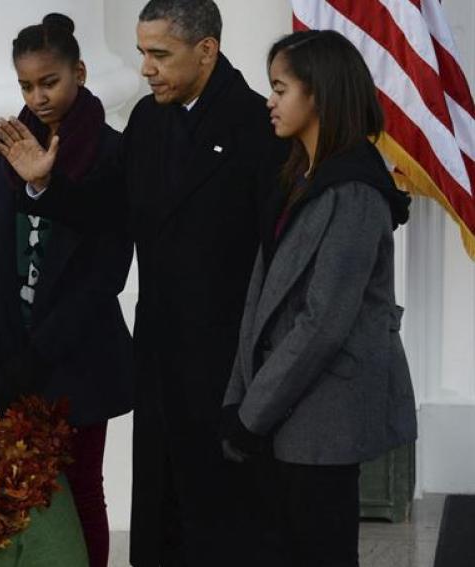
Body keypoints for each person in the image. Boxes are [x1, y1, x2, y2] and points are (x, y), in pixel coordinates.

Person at [0, 1, 288, 564]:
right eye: (141, 53)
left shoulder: (256, 127)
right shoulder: (149, 120)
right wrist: (46, 185)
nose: (146, 69)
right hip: (158, 356)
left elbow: (275, 256)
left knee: (222, 519)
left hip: (228, 364)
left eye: (159, 55)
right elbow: (110, 208)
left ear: (206, 51)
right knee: (160, 514)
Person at [221, 30, 416, 567]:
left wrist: (251, 414)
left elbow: (323, 321)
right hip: (284, 411)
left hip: (325, 416)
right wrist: (241, 398)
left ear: (320, 95)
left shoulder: (353, 191)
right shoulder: (299, 177)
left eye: (281, 89)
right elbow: (261, 300)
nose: (270, 101)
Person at [0, 13, 134, 567]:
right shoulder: (9, 148)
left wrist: (41, 354)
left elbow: (105, 271)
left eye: (49, 82)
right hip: (11, 356)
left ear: (80, 73)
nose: (37, 97)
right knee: (10, 484)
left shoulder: (111, 153)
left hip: (77, 357)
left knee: (80, 485)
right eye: (25, 86)